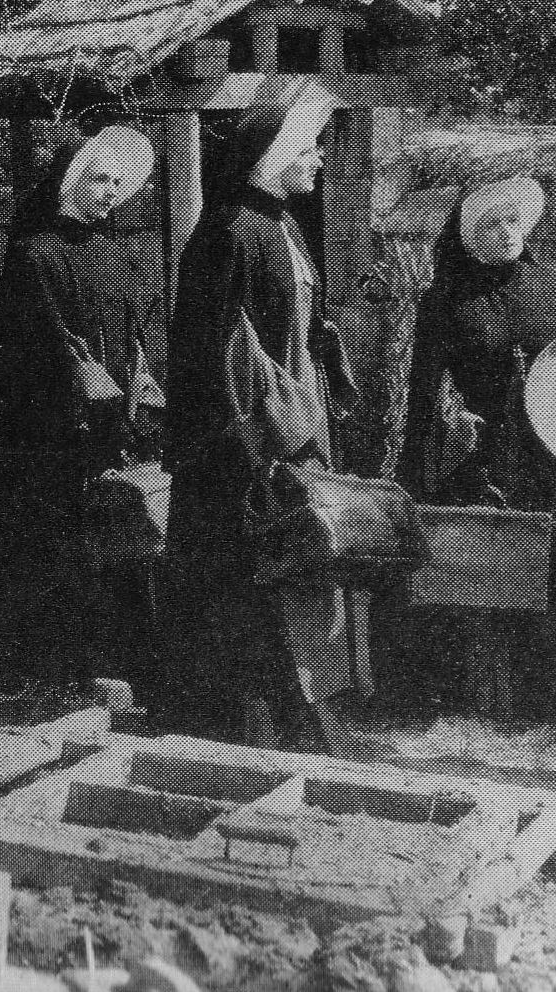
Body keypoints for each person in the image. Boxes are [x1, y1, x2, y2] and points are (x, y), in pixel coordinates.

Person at [163, 77, 361, 749]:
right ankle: (250, 722)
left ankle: (302, 710)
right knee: (250, 574)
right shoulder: (227, 235)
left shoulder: (288, 227)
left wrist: (325, 363)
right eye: (307, 148)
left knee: (301, 564)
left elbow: (301, 325)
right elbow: (210, 350)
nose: (319, 159)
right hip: (248, 439)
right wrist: (253, 434)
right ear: (271, 155)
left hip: (297, 420)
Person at [396, 176, 556, 721]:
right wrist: (433, 449)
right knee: (484, 573)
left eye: (513, 223)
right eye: (488, 226)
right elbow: (426, 384)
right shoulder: (446, 296)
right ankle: (472, 696)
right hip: (486, 449)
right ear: (466, 233)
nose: (504, 235)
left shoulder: (547, 277)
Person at [0, 125, 157, 709]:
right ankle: (25, 674)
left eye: (122, 183)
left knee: (95, 546)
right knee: (34, 548)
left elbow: (129, 341)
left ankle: (84, 670)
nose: (109, 192)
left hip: (95, 426)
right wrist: (101, 403)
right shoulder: (36, 252)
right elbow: (60, 347)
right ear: (73, 177)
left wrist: (141, 400)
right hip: (41, 429)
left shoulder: (114, 253)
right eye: (99, 178)